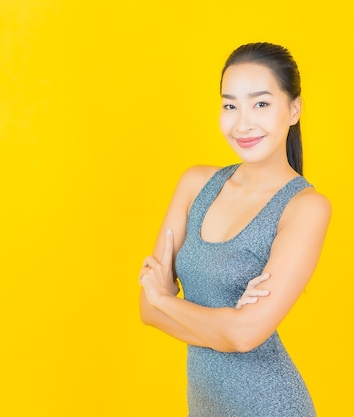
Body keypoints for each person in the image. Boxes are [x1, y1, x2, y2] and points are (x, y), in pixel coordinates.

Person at [138, 42, 331, 417]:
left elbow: (244, 335)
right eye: (230, 105)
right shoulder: (195, 184)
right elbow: (146, 309)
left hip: (270, 404)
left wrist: (167, 301)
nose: (242, 123)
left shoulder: (305, 207)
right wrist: (226, 330)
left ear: (294, 109)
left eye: (261, 104)